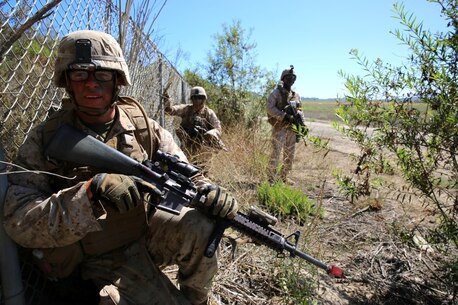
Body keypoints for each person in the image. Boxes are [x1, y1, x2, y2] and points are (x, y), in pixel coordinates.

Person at [3, 30, 238, 305]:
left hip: (144, 232)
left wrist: (209, 192)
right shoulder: (46, 139)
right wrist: (90, 194)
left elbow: (187, 171)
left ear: (117, 80)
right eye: (80, 74)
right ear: (67, 81)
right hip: (93, 257)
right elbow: (18, 220)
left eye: (102, 75)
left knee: (202, 225)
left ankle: (198, 299)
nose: (91, 84)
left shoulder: (142, 125)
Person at [266, 65, 305, 185]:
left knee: (290, 153)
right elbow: (269, 108)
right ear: (283, 79)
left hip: (292, 129)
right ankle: (271, 178)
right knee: (275, 152)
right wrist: (283, 116)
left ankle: (284, 176)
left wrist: (302, 124)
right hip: (279, 127)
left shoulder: (296, 95)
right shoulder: (276, 93)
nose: (291, 80)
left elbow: (301, 110)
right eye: (288, 77)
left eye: (293, 77)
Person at [164, 86, 226, 157]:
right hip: (187, 147)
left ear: (204, 99)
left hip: (203, 149)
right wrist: (167, 102)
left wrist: (208, 135)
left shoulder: (209, 113)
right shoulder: (186, 109)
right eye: (195, 98)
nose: (197, 100)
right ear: (192, 99)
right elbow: (170, 111)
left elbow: (218, 129)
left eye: (200, 97)